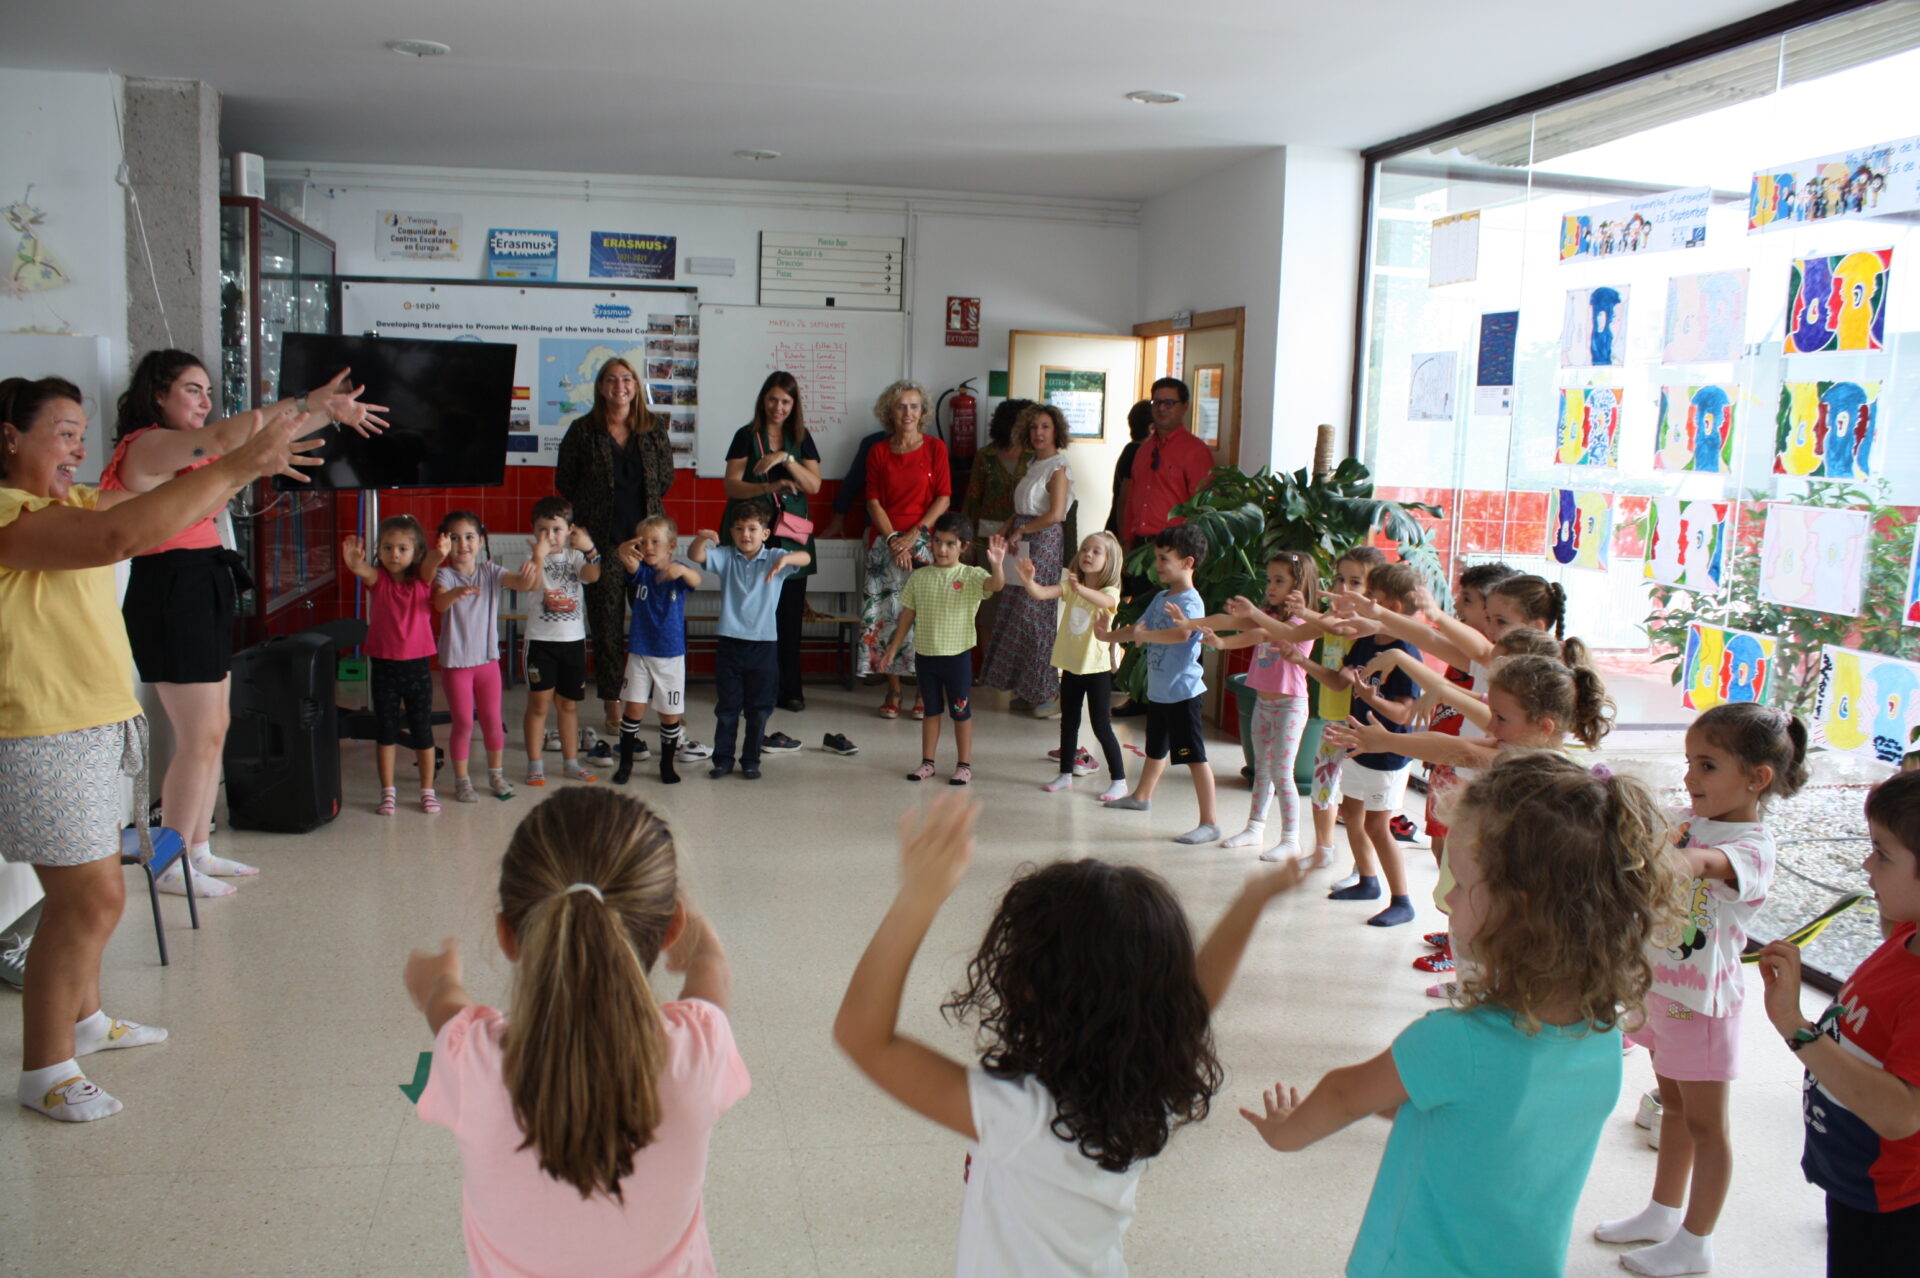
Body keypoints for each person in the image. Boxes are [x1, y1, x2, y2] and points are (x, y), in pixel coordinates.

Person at [1240, 750, 1685, 1278]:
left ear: (1517, 913)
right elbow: (1483, 1115)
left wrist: (1287, 1132)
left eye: (1464, 883)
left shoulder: (1454, 1043)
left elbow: (1344, 1094)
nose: (1448, 897)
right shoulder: (1603, 1037)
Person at [2, 375, 315, 1121]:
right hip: (42, 731)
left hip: (95, 726)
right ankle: (44, 1068)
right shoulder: (13, 516)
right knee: (89, 898)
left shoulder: (66, 502)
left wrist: (279, 433)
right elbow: (123, 536)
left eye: (82, 434)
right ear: (9, 436)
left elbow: (160, 512)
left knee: (94, 893)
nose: (78, 450)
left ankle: (84, 1020)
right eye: (62, 433)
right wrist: (243, 463)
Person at [833, 792, 1305, 1276]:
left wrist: (918, 898)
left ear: (1036, 987)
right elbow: (1196, 1002)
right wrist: (1251, 903)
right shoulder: (1144, 1085)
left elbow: (864, 1037)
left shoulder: (1020, 1115)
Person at [403, 787, 743, 1278]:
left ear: (506, 936)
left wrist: (437, 981)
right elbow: (713, 973)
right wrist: (701, 946)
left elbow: (445, 1007)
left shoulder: (473, 1059)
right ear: (672, 927)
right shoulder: (696, 1049)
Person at [104, 351, 386, 895]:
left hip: (204, 580)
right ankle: (171, 862)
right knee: (198, 736)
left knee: (217, 730)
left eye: (208, 391)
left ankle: (199, 848)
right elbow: (228, 439)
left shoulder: (197, 455)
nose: (205, 402)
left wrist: (327, 413)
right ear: (157, 395)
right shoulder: (145, 445)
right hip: (169, 589)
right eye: (192, 389)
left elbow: (252, 441)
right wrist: (306, 403)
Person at [1595, 702, 1808, 1277]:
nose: (1690, 778)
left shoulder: (1753, 847)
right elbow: (1645, 826)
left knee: (1708, 1127)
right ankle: (1663, 1213)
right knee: (1674, 1109)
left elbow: (1706, 863)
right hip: (1662, 993)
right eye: (1689, 763)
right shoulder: (1689, 819)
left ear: (1757, 778)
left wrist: (1674, 857)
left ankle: (1697, 1241)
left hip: (1704, 1008)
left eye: (1707, 766)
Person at [1760, 770, 1920, 1276]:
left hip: (1891, 1206)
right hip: (1853, 1180)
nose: (1867, 864)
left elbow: (1900, 1115)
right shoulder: (1907, 934)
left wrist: (1794, 1024)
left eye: (1884, 854)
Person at [1291, 561, 1423, 927]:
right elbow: (1337, 682)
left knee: (1379, 828)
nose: (1361, 601)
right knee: (1352, 816)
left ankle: (1402, 899)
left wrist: (1373, 699)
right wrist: (1302, 661)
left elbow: (1403, 715)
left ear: (1391, 607)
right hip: (1357, 745)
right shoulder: (1365, 642)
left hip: (1388, 755)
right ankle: (1368, 880)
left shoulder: (1406, 652)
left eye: (1369, 597)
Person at [554, 358, 675, 735]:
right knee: (607, 630)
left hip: (648, 548)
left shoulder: (653, 430)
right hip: (602, 547)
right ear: (601, 387)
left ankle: (662, 704)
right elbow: (565, 481)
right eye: (611, 379)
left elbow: (666, 479)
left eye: (626, 379)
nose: (619, 386)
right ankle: (612, 703)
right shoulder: (583, 431)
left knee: (654, 628)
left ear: (636, 386)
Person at [1179, 551, 1322, 861]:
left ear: (1300, 586)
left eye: (1280, 581)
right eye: (1270, 579)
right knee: (1263, 772)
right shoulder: (1269, 617)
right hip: (1263, 703)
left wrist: (1253, 613)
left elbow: (1267, 628)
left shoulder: (1300, 622)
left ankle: (1290, 839)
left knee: (1283, 774)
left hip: (1290, 706)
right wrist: (1197, 627)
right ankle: (1255, 827)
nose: (1271, 586)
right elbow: (1236, 625)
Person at [1098, 524, 1221, 845]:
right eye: (1157, 558)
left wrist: (1145, 636)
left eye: (1165, 558)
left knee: (1194, 757)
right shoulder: (1161, 598)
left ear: (1188, 563)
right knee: (1156, 750)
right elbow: (1138, 629)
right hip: (1160, 693)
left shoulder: (1191, 602)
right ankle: (1141, 796)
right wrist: (1106, 635)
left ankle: (1210, 822)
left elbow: (1182, 634)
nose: (1158, 565)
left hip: (1183, 695)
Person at [722, 371, 821, 724]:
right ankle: (750, 688)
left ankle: (790, 690)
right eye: (773, 399)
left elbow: (814, 485)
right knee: (750, 614)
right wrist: (768, 487)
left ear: (794, 405)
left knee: (790, 618)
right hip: (750, 534)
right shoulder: (745, 436)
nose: (778, 407)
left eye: (786, 401)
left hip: (791, 536)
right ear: (763, 400)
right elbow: (731, 487)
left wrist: (787, 459)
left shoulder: (801, 438)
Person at [879, 515, 1006, 786]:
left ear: (964, 546)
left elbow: (996, 585)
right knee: (930, 711)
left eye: (950, 543)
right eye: (937, 541)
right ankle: (928, 762)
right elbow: (907, 616)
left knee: (961, 712)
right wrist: (893, 648)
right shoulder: (920, 576)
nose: (942, 549)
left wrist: (997, 566)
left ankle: (964, 765)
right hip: (926, 657)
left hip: (957, 658)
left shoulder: (971, 575)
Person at [688, 501, 810, 780]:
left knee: (758, 710)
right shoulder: (727, 556)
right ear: (732, 531)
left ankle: (751, 760)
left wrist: (786, 559)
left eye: (753, 529)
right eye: (740, 528)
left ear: (765, 534)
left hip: (764, 645)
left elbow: (805, 558)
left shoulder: (774, 556)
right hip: (730, 644)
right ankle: (722, 759)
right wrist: (703, 537)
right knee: (727, 709)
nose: (746, 534)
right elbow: (696, 555)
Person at [855, 379, 951, 720]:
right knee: (886, 617)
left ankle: (925, 693)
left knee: (923, 621)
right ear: (889, 412)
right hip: (885, 543)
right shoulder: (878, 451)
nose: (907, 412)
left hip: (925, 542)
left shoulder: (936, 448)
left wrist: (913, 536)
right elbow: (873, 502)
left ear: (922, 411)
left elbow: (943, 498)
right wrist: (894, 539)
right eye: (900, 406)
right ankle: (893, 690)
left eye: (913, 405)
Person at [341, 515, 447, 815]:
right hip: (384, 668)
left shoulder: (423, 580)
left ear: (415, 552)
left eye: (402, 548)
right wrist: (353, 563)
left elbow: (431, 565)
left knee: (422, 731)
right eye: (387, 548)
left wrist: (440, 553)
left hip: (416, 668)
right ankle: (388, 792)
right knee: (386, 731)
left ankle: (427, 790)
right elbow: (363, 570)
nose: (394, 554)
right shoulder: (378, 579)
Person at [433, 511, 538, 803]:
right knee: (464, 723)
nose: (463, 544)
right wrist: (456, 593)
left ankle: (496, 774)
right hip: (456, 664)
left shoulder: (490, 571)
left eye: (469, 537)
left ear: (480, 541)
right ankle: (462, 780)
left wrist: (530, 572)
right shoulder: (444, 574)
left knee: (492, 720)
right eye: (454, 537)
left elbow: (520, 582)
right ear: (444, 542)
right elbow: (440, 603)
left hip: (487, 662)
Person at [1015, 530, 1127, 800]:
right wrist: (1029, 581)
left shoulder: (1109, 590)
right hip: (1071, 667)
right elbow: (1041, 593)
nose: (1087, 554)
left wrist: (1081, 589)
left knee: (1102, 726)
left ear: (1109, 560)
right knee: (1069, 722)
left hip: (1096, 670)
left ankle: (1119, 780)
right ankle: (1065, 774)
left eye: (1096, 551)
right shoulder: (1071, 585)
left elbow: (1107, 602)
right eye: (1085, 549)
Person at [978, 404, 1073, 718]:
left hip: (1042, 543)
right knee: (1015, 614)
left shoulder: (1058, 467)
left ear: (1056, 431)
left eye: (1045, 427)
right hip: (1022, 539)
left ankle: (1047, 692)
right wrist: (1008, 528)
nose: (1038, 433)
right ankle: (1025, 689)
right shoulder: (1033, 462)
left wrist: (1022, 529)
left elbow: (1056, 514)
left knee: (1034, 617)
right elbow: (1021, 506)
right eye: (1033, 428)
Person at [1299, 545, 1386, 867]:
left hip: (1362, 726)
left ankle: (1361, 868)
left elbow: (1339, 629)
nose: (1344, 589)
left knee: (1357, 802)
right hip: (1333, 720)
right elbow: (1336, 679)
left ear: (1374, 592)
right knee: (1322, 788)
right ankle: (1323, 850)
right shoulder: (1331, 618)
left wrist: (1307, 613)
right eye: (1339, 579)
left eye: (1355, 582)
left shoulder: (1369, 627)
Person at [518, 497, 602, 789]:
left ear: (569, 531)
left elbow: (593, 574)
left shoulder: (576, 558)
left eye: (556, 529)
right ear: (533, 531)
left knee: (568, 705)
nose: (550, 537)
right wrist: (539, 556)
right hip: (540, 644)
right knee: (539, 705)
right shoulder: (531, 561)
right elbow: (528, 584)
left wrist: (589, 547)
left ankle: (571, 763)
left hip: (573, 643)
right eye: (543, 530)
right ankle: (535, 764)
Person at [611, 514, 701, 786]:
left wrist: (683, 571)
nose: (648, 547)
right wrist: (623, 551)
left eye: (655, 541)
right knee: (633, 710)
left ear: (671, 546)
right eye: (644, 542)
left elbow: (695, 579)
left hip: (671, 655)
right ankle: (626, 763)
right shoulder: (641, 571)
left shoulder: (678, 572)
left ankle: (666, 764)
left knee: (669, 714)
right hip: (640, 652)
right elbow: (626, 562)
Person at [1103, 398, 1153, 539]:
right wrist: (1124, 537)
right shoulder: (1137, 454)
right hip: (1122, 530)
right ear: (1152, 428)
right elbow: (1124, 500)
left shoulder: (1130, 449)